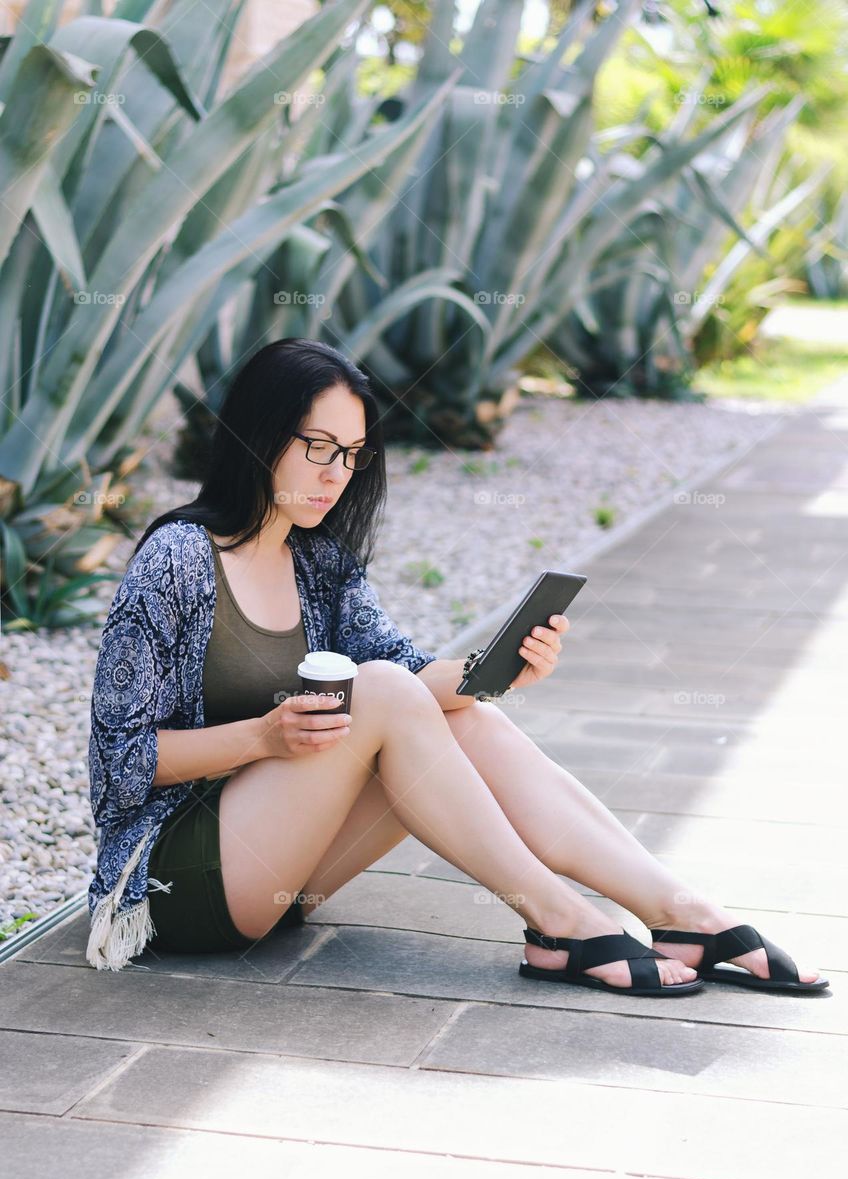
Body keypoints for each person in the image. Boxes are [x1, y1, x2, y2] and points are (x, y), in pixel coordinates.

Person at [86, 338, 827, 995]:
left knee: (460, 712)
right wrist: (264, 737)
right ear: (260, 435)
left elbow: (408, 679)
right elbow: (118, 763)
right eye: (318, 447)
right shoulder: (178, 560)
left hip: (284, 878)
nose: (337, 474)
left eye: (352, 454)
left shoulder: (317, 560)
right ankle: (560, 919)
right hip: (174, 884)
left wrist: (494, 671)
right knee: (383, 691)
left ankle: (680, 912)